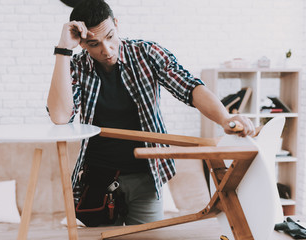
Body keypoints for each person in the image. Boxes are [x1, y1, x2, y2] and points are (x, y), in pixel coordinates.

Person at [47, 0, 255, 226]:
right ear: (82, 44)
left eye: (109, 36)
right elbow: (60, 116)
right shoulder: (76, 66)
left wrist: (225, 118)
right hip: (98, 179)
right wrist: (63, 50)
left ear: (117, 24)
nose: (106, 50)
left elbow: (189, 87)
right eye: (93, 43)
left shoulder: (147, 53)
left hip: (146, 176)